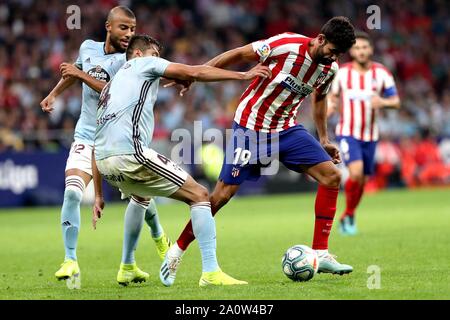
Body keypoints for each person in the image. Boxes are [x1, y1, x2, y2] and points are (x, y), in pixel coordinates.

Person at [163, 16, 356, 285]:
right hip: (250, 127)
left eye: (338, 54)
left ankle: (321, 252)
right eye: (332, 51)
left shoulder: (329, 69)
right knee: (221, 196)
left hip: (287, 130)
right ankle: (177, 251)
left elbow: (320, 98)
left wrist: (324, 138)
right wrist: (195, 74)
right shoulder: (286, 45)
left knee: (332, 177)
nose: (333, 58)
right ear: (320, 39)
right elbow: (238, 54)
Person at [91, 34, 272, 287]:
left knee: (140, 196)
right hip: (130, 154)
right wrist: (242, 76)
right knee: (199, 194)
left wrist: (99, 194)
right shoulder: (144, 63)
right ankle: (211, 272)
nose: (158, 60)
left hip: (104, 161)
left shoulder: (111, 86)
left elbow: (94, 139)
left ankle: (127, 266)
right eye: (155, 54)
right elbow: (195, 70)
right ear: (139, 54)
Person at [40, 6, 170, 288]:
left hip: (117, 140)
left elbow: (110, 90)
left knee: (141, 197)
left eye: (133, 30)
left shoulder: (129, 62)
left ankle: (159, 236)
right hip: (87, 136)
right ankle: (70, 259)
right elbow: (73, 74)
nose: (129, 34)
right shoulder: (88, 47)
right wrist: (52, 94)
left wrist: (79, 73)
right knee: (73, 191)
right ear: (109, 26)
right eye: (124, 28)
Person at [327, 31, 400, 235]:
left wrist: (383, 102)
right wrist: (330, 107)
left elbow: (396, 101)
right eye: (357, 48)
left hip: (371, 135)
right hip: (348, 132)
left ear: (371, 49)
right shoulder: (342, 73)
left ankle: (349, 214)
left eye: (364, 47)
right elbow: (333, 97)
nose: (361, 51)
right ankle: (348, 215)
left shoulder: (381, 73)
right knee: (356, 173)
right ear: (351, 50)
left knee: (363, 181)